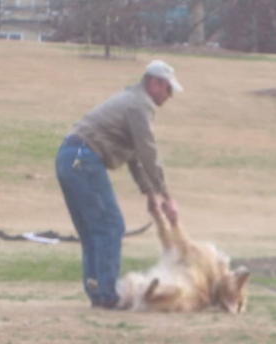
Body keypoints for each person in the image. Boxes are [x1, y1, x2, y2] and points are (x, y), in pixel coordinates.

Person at [55, 60, 182, 309]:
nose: (170, 96)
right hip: (84, 158)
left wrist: (149, 194)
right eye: (168, 89)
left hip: (68, 157)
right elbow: (148, 151)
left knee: (93, 232)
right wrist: (167, 196)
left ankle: (97, 293)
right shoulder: (140, 104)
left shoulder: (131, 101)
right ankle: (107, 295)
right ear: (154, 83)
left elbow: (134, 157)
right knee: (111, 226)